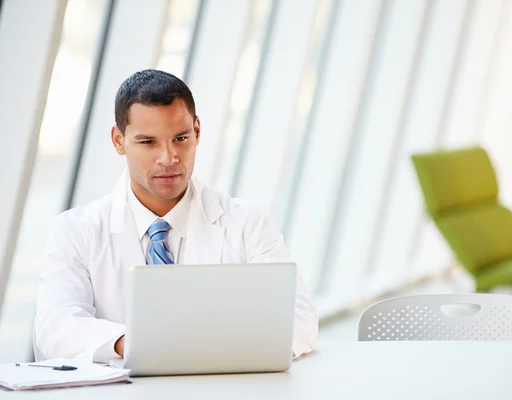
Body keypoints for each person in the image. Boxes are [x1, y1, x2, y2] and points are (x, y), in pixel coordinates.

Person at [34, 69, 319, 362]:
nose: (169, 158)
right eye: (148, 142)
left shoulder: (247, 223)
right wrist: (132, 343)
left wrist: (205, 348)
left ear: (197, 132)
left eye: (180, 138)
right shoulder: (75, 230)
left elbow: (299, 317)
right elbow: (54, 326)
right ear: (118, 141)